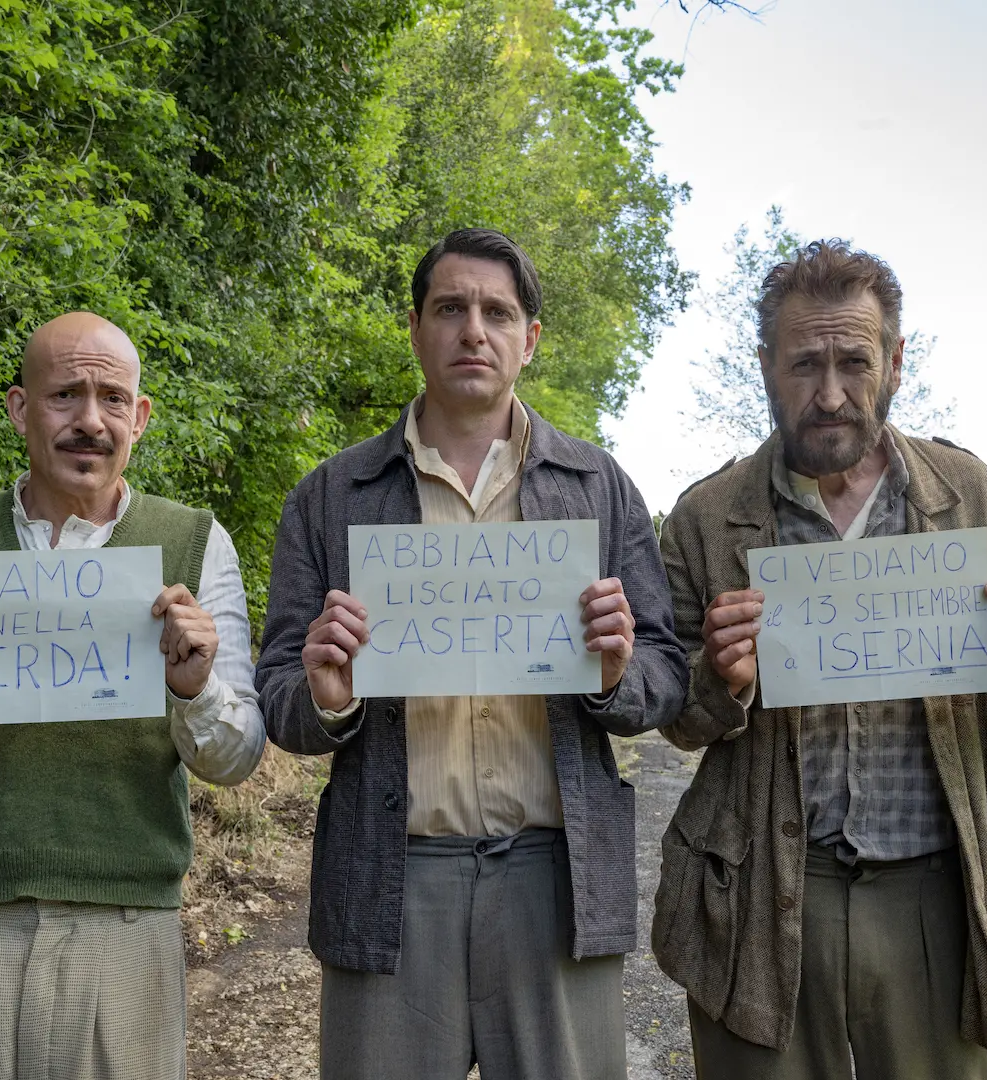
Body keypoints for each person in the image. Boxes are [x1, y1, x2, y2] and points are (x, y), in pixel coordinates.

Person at [254, 228, 689, 1080]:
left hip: (553, 876)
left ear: (530, 339)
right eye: (450, 308)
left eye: (497, 312)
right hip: (390, 875)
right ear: (415, 327)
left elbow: (666, 676)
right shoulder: (331, 496)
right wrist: (327, 695)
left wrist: (614, 676)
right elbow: (277, 697)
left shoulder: (598, 487)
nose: (473, 330)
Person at [653, 239, 987, 1079]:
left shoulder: (969, 497)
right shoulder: (706, 518)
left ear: (894, 361)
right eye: (803, 364)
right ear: (764, 366)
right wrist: (719, 679)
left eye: (853, 362)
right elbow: (671, 712)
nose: (829, 394)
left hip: (938, 893)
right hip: (761, 890)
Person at [0, 311, 266, 1080]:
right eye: (65, 395)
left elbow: (234, 758)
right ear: (20, 408)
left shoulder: (195, 543)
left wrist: (193, 686)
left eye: (112, 399)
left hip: (124, 929)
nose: (89, 421)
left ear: (140, 417)